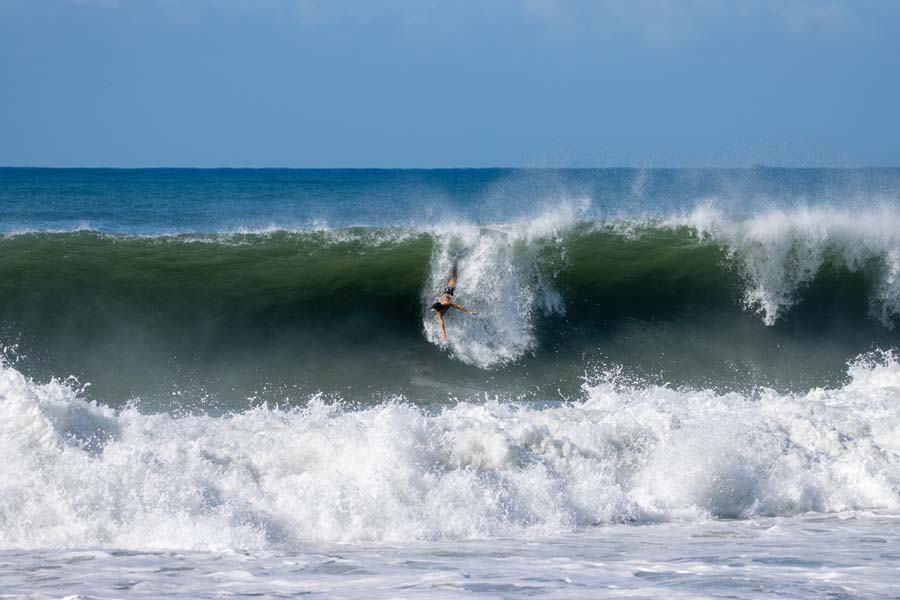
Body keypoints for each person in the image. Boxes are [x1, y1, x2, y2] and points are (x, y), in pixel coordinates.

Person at [431, 262, 476, 341]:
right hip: (445, 295)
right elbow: (441, 324)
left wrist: (469, 312)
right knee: (452, 278)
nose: (435, 311)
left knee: (454, 277)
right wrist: (444, 335)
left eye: (435, 310)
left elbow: (458, 306)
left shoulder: (447, 303)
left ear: (440, 307)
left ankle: (455, 263)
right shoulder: (439, 313)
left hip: (449, 291)